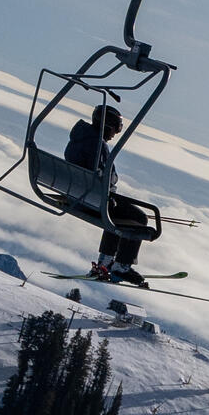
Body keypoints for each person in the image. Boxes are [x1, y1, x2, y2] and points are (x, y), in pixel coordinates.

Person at [64, 104, 148, 285]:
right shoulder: (97, 144)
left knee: (116, 213)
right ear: (108, 125)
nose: (114, 135)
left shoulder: (79, 138)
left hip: (77, 197)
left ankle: (106, 261)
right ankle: (122, 266)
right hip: (91, 201)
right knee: (138, 218)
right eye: (115, 130)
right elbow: (105, 177)